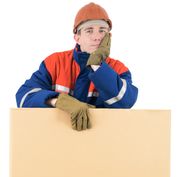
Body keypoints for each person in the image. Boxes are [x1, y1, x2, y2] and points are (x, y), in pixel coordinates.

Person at [16, 2, 138, 131]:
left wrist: (98, 66)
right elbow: (24, 97)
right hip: (56, 140)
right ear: (77, 37)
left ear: (109, 37)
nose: (97, 37)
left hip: (101, 143)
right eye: (89, 31)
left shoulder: (118, 69)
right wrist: (58, 101)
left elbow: (126, 103)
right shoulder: (55, 62)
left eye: (102, 31)